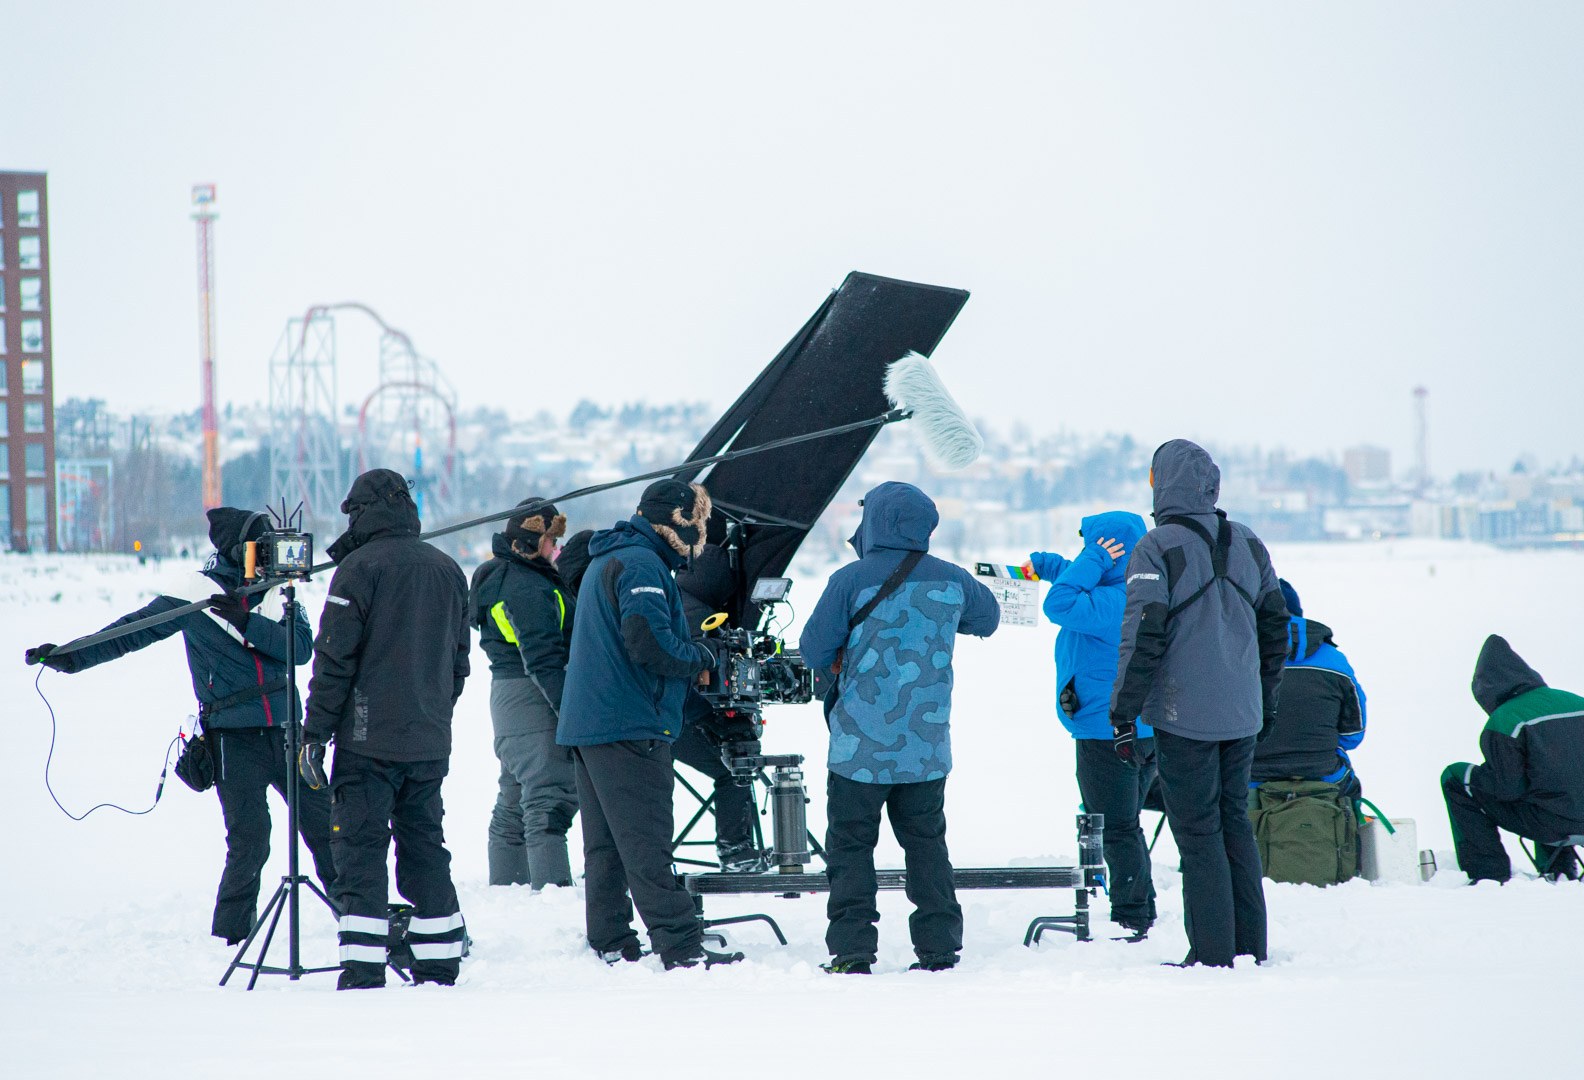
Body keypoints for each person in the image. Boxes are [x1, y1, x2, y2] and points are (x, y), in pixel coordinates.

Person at [24, 507, 334, 945]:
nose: (269, 555)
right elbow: (131, 632)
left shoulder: (279, 591)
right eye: (259, 547)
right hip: (232, 738)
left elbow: (300, 650)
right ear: (238, 551)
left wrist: (248, 622)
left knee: (327, 828)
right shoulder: (194, 595)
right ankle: (230, 938)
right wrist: (71, 656)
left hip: (289, 732)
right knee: (250, 840)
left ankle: (358, 923)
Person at [800, 481, 1000, 974]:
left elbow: (812, 649)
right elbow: (989, 619)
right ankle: (937, 949)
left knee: (850, 849)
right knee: (927, 847)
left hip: (857, 750)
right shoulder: (952, 580)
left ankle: (852, 951)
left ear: (874, 522)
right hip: (925, 749)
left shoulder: (849, 580)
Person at [1109, 440, 1288, 969]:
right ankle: (1248, 946)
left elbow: (1144, 633)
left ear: (1161, 483)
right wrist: (1266, 699)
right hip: (1242, 712)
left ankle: (1211, 953)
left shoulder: (1155, 547)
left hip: (1184, 715)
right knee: (1234, 820)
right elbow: (1276, 626)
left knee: (1198, 829)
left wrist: (1122, 712)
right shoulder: (1250, 542)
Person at [556, 479, 742, 970]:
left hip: (592, 723)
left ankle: (611, 939)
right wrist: (701, 655)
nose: (704, 535)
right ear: (680, 523)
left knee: (608, 846)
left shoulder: (613, 555)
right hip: (629, 722)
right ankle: (681, 946)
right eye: (699, 524)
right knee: (647, 842)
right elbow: (649, 644)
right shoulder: (641, 563)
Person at [300, 469, 472, 990]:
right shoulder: (448, 569)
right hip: (428, 739)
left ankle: (363, 966)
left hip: (367, 742)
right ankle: (441, 961)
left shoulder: (357, 569)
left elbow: (334, 662)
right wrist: (432, 712)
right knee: (425, 846)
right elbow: (458, 664)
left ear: (360, 513)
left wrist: (315, 733)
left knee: (361, 848)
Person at [1026, 510, 1157, 940]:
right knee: (1124, 821)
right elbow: (1086, 589)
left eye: (1095, 545)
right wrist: (1059, 569)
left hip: (1108, 735)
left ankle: (1133, 915)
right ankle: (1136, 904)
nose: (1088, 552)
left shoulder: (1112, 603)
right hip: (1137, 730)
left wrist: (1091, 561)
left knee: (1117, 828)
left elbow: (1060, 604)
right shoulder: (1129, 592)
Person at [472, 498, 579, 889]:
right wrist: (569, 710)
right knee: (547, 799)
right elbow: (544, 657)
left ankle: (508, 887)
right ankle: (550, 889)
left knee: (516, 795)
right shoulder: (527, 586)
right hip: (532, 695)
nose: (558, 549)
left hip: (510, 697)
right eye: (553, 541)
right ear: (534, 542)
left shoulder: (507, 575)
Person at [1441, 635, 1584, 883]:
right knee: (1550, 782)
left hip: (1549, 823)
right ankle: (1560, 869)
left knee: (1455, 777)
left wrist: (1482, 775)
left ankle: (1488, 873)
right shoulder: (1576, 702)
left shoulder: (1506, 719)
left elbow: (1507, 788)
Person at [671, 543, 766, 872]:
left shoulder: (674, 599)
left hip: (659, 716)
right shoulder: (699, 616)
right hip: (680, 719)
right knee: (733, 771)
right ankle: (736, 851)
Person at [1252, 579, 1366, 799]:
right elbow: (1353, 735)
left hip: (1251, 779)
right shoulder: (1335, 661)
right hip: (1325, 779)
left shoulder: (1236, 659)